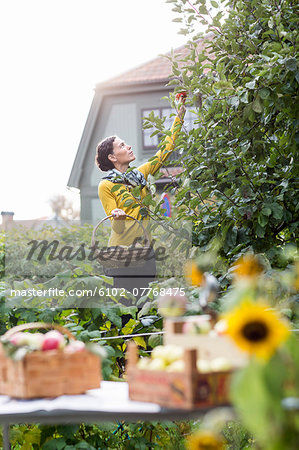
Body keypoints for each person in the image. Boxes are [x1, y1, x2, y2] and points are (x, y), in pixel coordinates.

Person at [95, 102, 186, 298]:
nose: (128, 146)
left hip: (145, 253)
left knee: (146, 305)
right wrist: (118, 218)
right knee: (126, 311)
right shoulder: (106, 186)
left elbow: (166, 150)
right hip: (121, 257)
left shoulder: (140, 175)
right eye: (121, 145)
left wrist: (179, 116)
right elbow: (117, 228)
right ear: (112, 157)